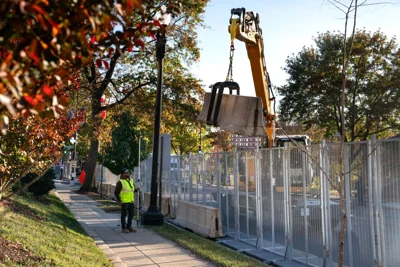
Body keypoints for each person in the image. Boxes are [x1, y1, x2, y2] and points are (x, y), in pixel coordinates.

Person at [114, 168, 137, 233]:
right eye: (126, 173)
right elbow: (116, 192)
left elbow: (131, 190)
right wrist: (119, 200)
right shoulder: (120, 182)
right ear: (123, 174)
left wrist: (136, 190)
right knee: (124, 214)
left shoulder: (131, 180)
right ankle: (124, 228)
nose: (128, 174)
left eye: (128, 172)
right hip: (124, 202)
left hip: (131, 201)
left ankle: (129, 227)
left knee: (131, 214)